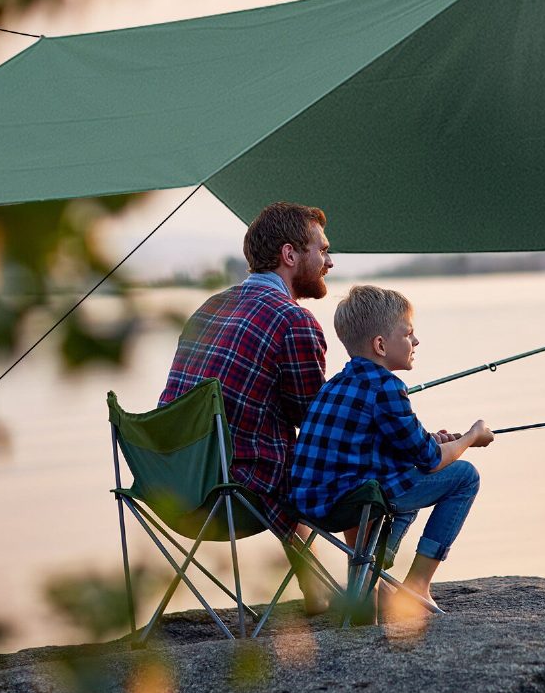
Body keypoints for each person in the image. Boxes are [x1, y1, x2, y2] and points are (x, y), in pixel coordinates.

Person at [159, 201, 333, 614]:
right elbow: (314, 427)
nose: (329, 262)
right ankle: (364, 591)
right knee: (333, 457)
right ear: (290, 255)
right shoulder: (294, 321)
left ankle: (318, 590)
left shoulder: (209, 307)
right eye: (322, 251)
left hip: (170, 486)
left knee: (273, 453)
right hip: (230, 497)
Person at [290, 285, 494, 620]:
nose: (416, 342)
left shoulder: (334, 385)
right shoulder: (387, 387)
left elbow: (380, 442)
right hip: (354, 504)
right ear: (381, 345)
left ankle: (371, 585)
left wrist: (435, 440)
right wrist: (471, 437)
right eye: (409, 334)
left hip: (312, 507)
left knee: (402, 476)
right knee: (464, 477)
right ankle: (416, 585)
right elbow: (429, 460)